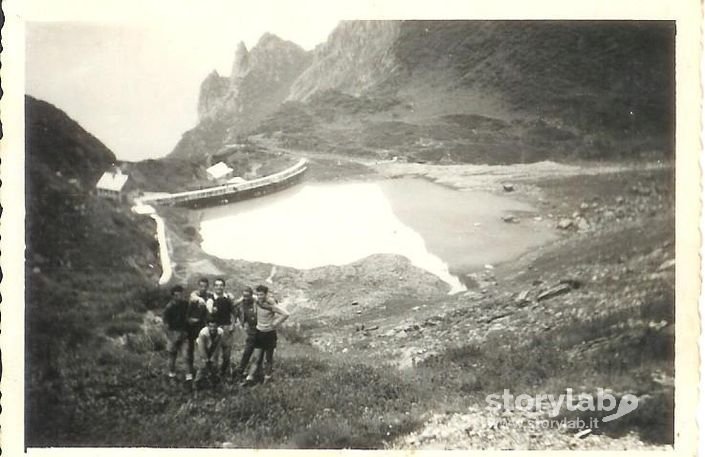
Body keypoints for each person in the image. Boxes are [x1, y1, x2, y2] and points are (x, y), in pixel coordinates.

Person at [241, 285, 289, 386]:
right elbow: (246, 297)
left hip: (269, 334)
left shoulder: (271, 305)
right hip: (259, 332)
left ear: (266, 294)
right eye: (258, 294)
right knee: (256, 357)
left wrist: (275, 323)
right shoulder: (257, 300)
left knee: (268, 358)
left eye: (262, 294)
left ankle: (267, 379)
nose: (259, 296)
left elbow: (285, 314)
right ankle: (249, 378)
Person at [209, 278, 238, 377]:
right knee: (214, 355)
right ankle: (214, 376)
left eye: (221, 285)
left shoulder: (228, 299)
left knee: (226, 355)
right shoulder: (210, 299)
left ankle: (224, 373)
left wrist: (233, 325)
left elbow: (234, 313)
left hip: (226, 328)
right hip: (214, 329)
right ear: (214, 287)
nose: (219, 287)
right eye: (216, 285)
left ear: (224, 287)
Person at [184, 278, 210, 382]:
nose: (203, 288)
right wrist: (190, 319)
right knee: (189, 351)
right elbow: (186, 313)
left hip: (202, 327)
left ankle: (202, 374)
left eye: (205, 286)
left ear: (207, 287)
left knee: (203, 351)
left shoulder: (209, 296)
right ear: (198, 286)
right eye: (201, 286)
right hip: (191, 328)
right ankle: (189, 374)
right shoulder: (193, 297)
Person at [162, 285, 188, 379]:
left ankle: (189, 377)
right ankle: (171, 374)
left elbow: (188, 317)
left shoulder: (185, 304)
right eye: (176, 295)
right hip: (173, 333)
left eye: (180, 295)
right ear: (173, 296)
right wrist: (171, 337)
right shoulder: (169, 307)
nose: (179, 297)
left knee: (186, 356)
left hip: (183, 333)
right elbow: (165, 324)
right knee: (172, 356)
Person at [234, 287, 257, 379]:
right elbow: (232, 305)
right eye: (244, 296)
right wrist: (241, 299)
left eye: (248, 296)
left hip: (261, 329)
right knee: (247, 352)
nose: (246, 298)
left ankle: (254, 373)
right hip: (251, 330)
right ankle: (241, 370)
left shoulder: (257, 302)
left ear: (251, 295)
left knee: (259, 354)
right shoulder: (242, 304)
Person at [194, 317, 224, 388]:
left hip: (212, 346)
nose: (212, 328)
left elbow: (218, 346)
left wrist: (214, 357)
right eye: (211, 326)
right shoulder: (203, 333)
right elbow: (202, 347)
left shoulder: (220, 332)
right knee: (203, 365)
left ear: (218, 326)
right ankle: (197, 383)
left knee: (214, 364)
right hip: (202, 346)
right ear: (207, 326)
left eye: (214, 327)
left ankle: (213, 382)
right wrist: (206, 358)